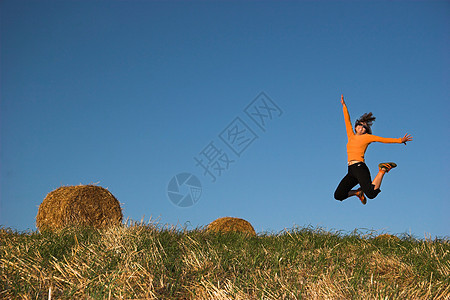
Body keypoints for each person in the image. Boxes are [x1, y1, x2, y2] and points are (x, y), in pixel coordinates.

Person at [334, 95, 413, 204]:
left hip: (360, 167)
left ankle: (383, 169)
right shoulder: (351, 135)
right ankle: (357, 193)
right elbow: (347, 121)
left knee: (371, 194)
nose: (362, 128)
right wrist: (344, 106)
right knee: (338, 195)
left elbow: (383, 139)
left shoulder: (367, 137)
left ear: (366, 131)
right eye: (360, 125)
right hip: (351, 170)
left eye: (364, 127)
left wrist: (399, 140)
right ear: (356, 126)